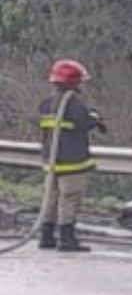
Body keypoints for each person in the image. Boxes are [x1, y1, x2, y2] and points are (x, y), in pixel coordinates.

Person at [38, 58, 106, 252]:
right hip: (72, 163)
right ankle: (67, 239)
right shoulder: (73, 103)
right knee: (69, 197)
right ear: (74, 82)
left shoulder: (46, 104)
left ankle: (46, 237)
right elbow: (85, 123)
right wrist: (95, 116)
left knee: (51, 198)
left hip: (51, 162)